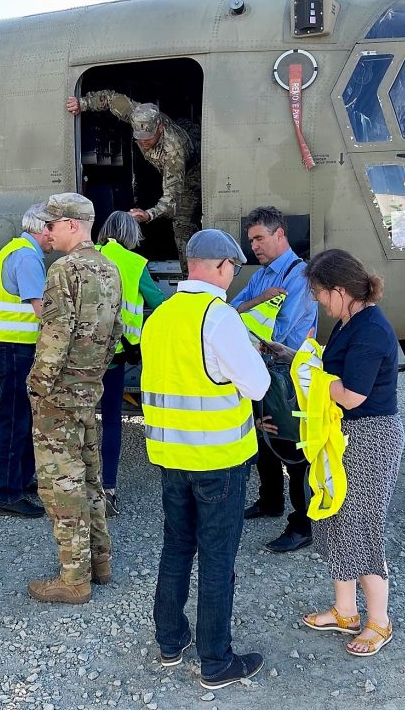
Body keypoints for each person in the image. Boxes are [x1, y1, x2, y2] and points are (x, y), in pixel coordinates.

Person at [141, 229, 270, 690]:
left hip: (169, 457)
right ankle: (216, 661)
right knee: (218, 557)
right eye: (233, 269)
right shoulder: (219, 318)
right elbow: (257, 387)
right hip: (219, 460)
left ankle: (170, 641)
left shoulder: (161, 316)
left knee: (177, 547)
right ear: (219, 266)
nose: (233, 277)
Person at [298, 249, 404, 657]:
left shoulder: (370, 330)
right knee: (336, 516)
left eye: (321, 293)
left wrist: (312, 376)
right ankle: (346, 612)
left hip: (370, 436)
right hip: (344, 436)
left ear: (340, 290)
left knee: (361, 525)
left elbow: (353, 395)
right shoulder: (349, 321)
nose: (319, 301)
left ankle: (379, 621)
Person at [26, 193, 122, 605]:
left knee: (60, 487)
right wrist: (92, 377)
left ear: (72, 225)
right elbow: (115, 330)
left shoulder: (64, 270)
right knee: (90, 479)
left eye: (52, 223)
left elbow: (56, 335)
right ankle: (100, 563)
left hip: (59, 396)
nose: (47, 231)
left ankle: (74, 579)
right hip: (88, 390)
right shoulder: (110, 268)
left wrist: (38, 387)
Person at [231, 207, 319, 553]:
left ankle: (304, 523)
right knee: (264, 437)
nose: (254, 246)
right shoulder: (263, 275)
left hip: (287, 373)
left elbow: (275, 333)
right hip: (262, 369)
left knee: (293, 450)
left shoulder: (301, 276)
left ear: (280, 234)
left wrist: (248, 325)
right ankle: (270, 500)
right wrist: (260, 301)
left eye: (259, 238)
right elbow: (232, 311)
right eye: (251, 239)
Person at [66, 91, 200, 272]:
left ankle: (191, 280)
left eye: (148, 137)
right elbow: (110, 99)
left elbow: (172, 200)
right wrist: (82, 103)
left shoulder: (174, 152)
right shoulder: (137, 114)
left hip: (192, 168)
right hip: (181, 129)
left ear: (159, 128)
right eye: (139, 137)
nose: (143, 142)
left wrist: (149, 214)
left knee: (182, 224)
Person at [0, 204, 54, 518]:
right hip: (12, 349)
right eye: (52, 227)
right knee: (14, 420)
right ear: (41, 228)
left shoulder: (20, 250)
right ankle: (8, 494)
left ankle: (21, 481)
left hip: (10, 348)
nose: (54, 236)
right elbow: (42, 310)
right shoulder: (26, 257)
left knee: (21, 416)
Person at [96, 211, 166, 516]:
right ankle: (107, 490)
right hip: (114, 357)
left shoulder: (83, 257)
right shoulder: (136, 265)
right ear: (131, 235)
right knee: (111, 421)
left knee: (78, 423)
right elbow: (160, 306)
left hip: (79, 357)